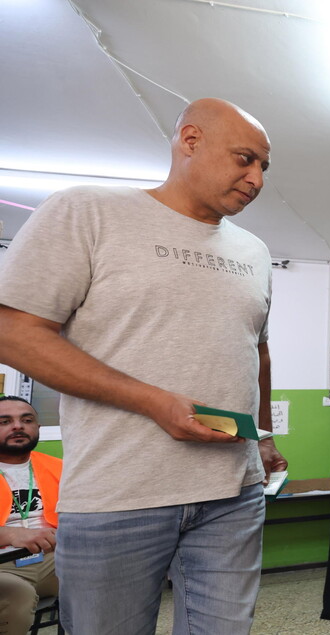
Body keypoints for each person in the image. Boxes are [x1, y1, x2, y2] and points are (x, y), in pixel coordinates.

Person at [0, 98, 286, 634]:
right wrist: (153, 401)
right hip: (119, 496)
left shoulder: (254, 252)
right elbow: (13, 332)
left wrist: (264, 436)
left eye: (264, 167)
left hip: (233, 495)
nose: (257, 179)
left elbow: (257, 350)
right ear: (191, 140)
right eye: (245, 158)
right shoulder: (87, 212)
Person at [0, 397, 61, 635]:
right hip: (4, 566)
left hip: (54, 559)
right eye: (5, 421)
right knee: (16, 593)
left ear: (38, 429)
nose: (18, 426)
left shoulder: (61, 468)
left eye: (27, 420)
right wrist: (9, 533)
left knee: (109, 571)